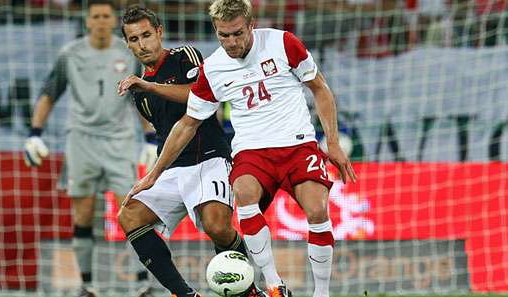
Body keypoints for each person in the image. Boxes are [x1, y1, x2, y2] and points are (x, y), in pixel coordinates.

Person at [127, 0, 358, 297]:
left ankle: (322, 293)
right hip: (252, 151)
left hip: (298, 144)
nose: (232, 42)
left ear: (251, 25)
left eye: (237, 33)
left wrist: (334, 143)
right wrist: (153, 175)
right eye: (224, 35)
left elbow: (319, 88)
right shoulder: (212, 68)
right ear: (215, 31)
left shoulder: (283, 43)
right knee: (245, 195)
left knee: (316, 210)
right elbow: (188, 123)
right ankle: (274, 285)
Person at [117, 6, 266, 297]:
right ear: (127, 43)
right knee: (129, 215)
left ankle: (247, 292)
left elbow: (198, 94)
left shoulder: (185, 55)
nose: (142, 44)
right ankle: (183, 294)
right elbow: (161, 130)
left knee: (217, 226)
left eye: (146, 35)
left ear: (159, 32)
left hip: (209, 156)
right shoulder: (138, 91)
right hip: (173, 167)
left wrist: (150, 86)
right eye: (134, 39)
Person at [23, 1, 157, 296]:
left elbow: (141, 96)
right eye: (95, 16)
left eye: (105, 16)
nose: (99, 21)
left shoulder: (127, 53)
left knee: (131, 211)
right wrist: (34, 133)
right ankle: (87, 285)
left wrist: (149, 137)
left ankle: (141, 283)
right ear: (87, 21)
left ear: (113, 22)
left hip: (119, 141)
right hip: (81, 140)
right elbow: (49, 94)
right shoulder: (70, 54)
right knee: (83, 214)